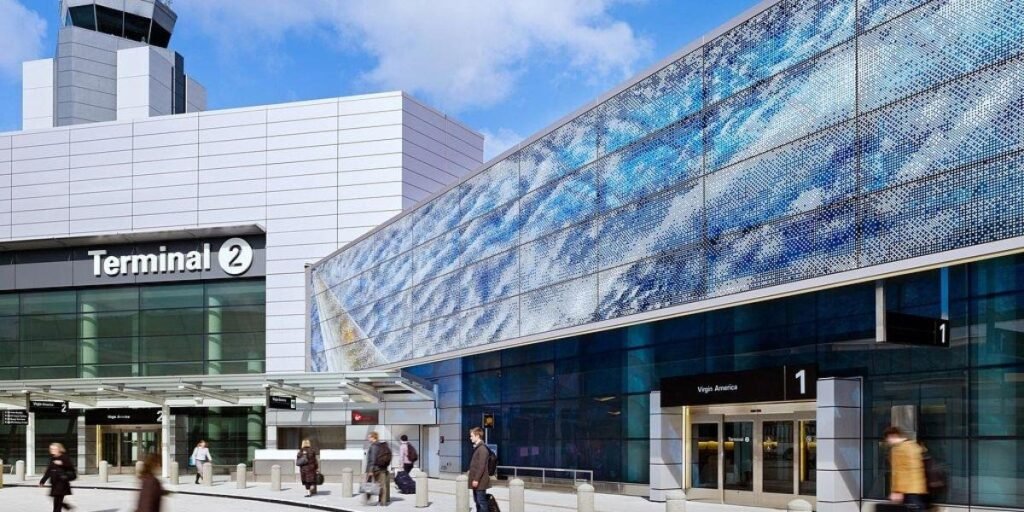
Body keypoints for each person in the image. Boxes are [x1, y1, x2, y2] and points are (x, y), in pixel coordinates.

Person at [885, 426, 928, 511]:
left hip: (911, 491)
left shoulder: (906, 447)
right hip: (910, 490)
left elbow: (912, 470)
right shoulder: (899, 448)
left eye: (887, 438)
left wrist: (897, 491)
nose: (887, 441)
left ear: (893, 436)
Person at [38, 442, 75, 512]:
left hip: (62, 483)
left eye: (54, 449)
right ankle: (66, 506)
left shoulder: (64, 457)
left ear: (59, 449)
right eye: (51, 449)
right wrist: (42, 481)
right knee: (55, 499)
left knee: (57, 502)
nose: (52, 450)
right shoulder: (52, 458)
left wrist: (62, 464)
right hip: (54, 483)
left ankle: (63, 507)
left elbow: (71, 469)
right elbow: (48, 471)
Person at [467, 427, 492, 512]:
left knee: (481, 502)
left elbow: (481, 466)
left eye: (472, 436)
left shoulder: (482, 449)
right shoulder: (478, 448)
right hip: (477, 481)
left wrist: (476, 479)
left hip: (480, 481)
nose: (470, 438)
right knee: (477, 501)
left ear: (477, 436)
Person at [365, 431, 391, 506]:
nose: (368, 439)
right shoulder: (381, 445)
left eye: (369, 437)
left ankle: (368, 499)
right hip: (382, 468)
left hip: (375, 469)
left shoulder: (374, 446)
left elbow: (372, 459)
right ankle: (382, 502)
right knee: (382, 485)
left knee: (369, 484)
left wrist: (370, 470)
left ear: (373, 437)